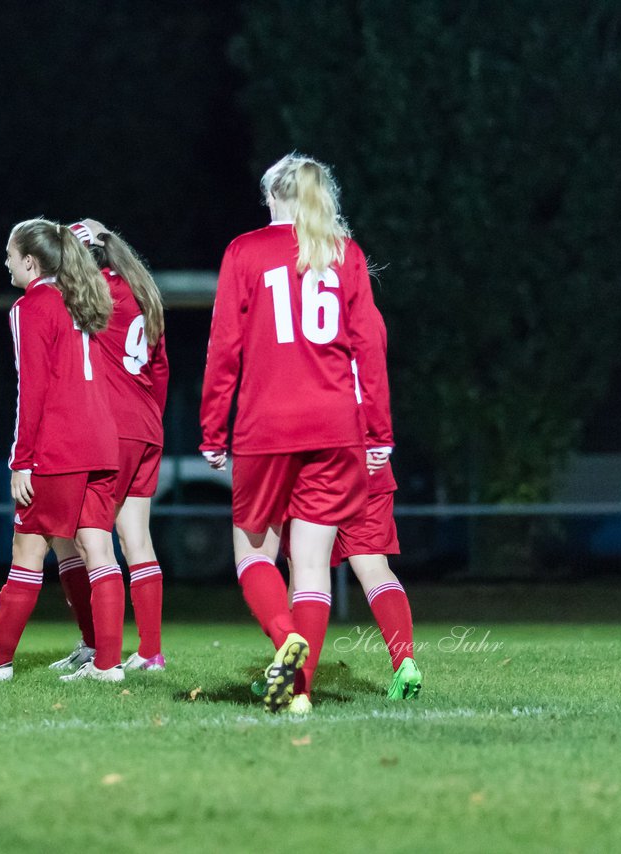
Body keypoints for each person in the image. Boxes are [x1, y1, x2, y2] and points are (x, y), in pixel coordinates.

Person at [199, 153, 377, 714]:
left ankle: (285, 639)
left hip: (266, 425)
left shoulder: (245, 250)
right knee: (313, 564)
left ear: (272, 196)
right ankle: (300, 693)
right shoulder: (343, 252)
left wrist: (212, 429)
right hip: (336, 426)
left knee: (253, 553)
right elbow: (370, 346)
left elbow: (224, 346)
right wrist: (380, 432)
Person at [0, 218, 126, 682]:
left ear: (30, 260)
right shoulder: (82, 299)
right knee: (95, 550)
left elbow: (34, 390)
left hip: (60, 447)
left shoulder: (32, 306)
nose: (5, 262)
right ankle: (105, 662)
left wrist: (21, 460)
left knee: (27, 550)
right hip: (102, 444)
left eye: (10, 254)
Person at [283, 278, 421, 709]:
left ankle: (293, 678)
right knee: (374, 568)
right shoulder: (371, 318)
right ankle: (405, 663)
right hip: (368, 452)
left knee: (304, 567)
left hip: (320, 453)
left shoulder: (297, 312)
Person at [49, 219, 169, 673]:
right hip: (146, 426)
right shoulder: (141, 293)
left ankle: (102, 653)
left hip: (108, 428)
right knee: (137, 539)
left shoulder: (91, 295)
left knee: (82, 540)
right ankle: (150, 651)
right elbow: (160, 371)